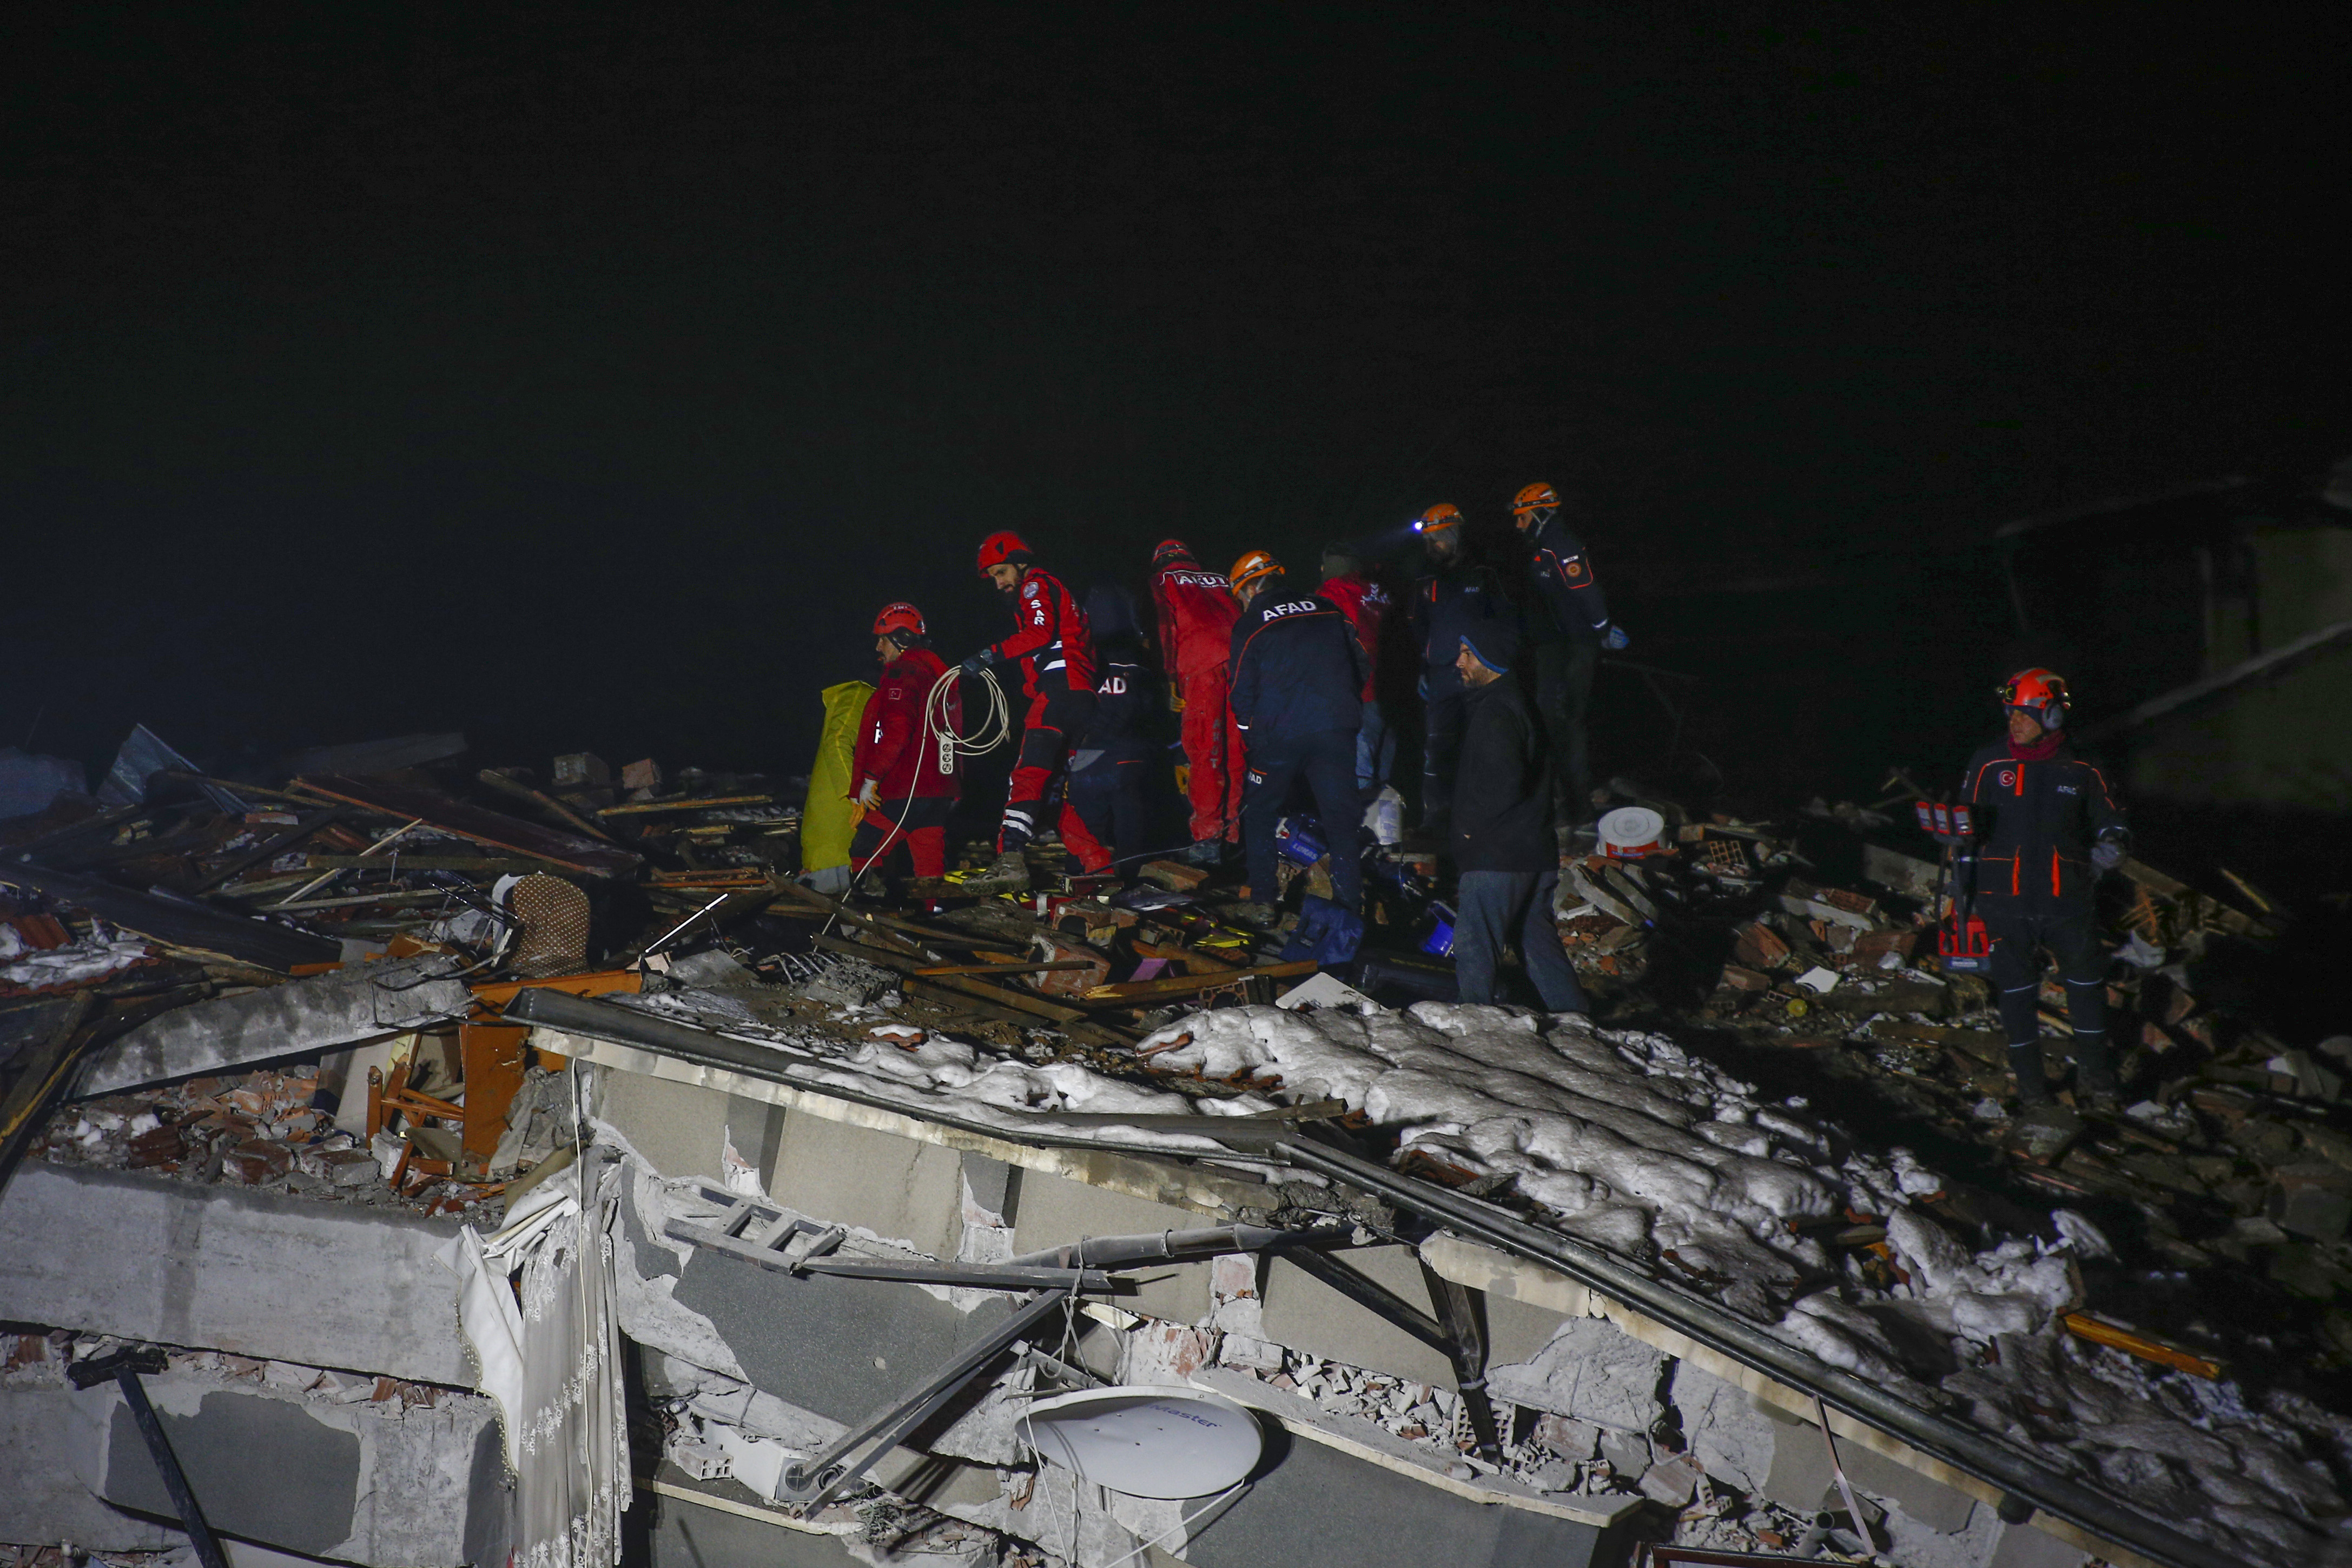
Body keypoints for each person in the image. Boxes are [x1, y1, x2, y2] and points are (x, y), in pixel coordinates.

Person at [1955, 667, 2130, 1109]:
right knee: (2015, 996)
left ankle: (2097, 1079)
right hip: (2004, 901)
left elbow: (2112, 817)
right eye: (2010, 712)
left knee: (2086, 988)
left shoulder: (2084, 766)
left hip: (2067, 899)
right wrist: (1963, 892)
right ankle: (2033, 1091)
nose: (2014, 721)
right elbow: (1964, 825)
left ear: (2052, 716)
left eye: (2025, 714)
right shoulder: (1989, 761)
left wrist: (2113, 842)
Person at [1448, 620, 1592, 1013]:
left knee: (1476, 942)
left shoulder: (1496, 710)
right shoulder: (1518, 702)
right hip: (1533, 850)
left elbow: (1500, 784)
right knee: (1537, 943)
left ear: (1491, 658)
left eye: (1468, 654)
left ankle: (1474, 1026)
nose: (1459, 661)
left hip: (1499, 854)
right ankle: (1577, 1023)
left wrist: (1465, 833)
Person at [1226, 550, 1366, 916]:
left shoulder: (1252, 621)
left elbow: (1240, 690)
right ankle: (1349, 907)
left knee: (1259, 811)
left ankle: (1263, 900)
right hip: (1335, 729)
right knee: (1341, 819)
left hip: (1279, 735)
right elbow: (1361, 662)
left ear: (1248, 589)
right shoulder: (1327, 608)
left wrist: (1252, 738)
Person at [961, 531, 1095, 892]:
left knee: (1028, 774)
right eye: (993, 577)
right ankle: (1097, 863)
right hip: (1081, 697)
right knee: (1056, 791)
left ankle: (1010, 860)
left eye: (1002, 572)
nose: (999, 582)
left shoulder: (1035, 585)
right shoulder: (1058, 591)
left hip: (1059, 693)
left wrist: (987, 655)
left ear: (1021, 562)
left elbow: (1038, 634)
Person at [1511, 481, 1628, 849]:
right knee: (1550, 726)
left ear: (1541, 512)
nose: (1519, 525)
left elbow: (1585, 590)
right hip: (1553, 648)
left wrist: (1603, 628)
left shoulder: (1561, 544)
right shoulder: (1540, 548)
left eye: (1523, 517)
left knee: (1566, 723)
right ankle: (1565, 809)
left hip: (1572, 648)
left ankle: (1580, 813)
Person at [1405, 502, 1509, 839]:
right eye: (1428, 541)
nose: (1431, 547)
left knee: (1483, 748)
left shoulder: (1483, 570)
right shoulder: (1426, 577)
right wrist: (1422, 666)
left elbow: (1505, 621)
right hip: (1441, 677)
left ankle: (1486, 819)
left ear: (1454, 535)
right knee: (1437, 750)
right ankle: (1436, 820)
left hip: (1481, 678)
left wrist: (1501, 666)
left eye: (1437, 539)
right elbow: (1418, 626)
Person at [847, 602, 961, 882]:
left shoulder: (903, 674)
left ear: (901, 640)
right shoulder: (937, 677)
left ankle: (865, 921)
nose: (878, 649)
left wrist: (871, 779)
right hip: (937, 790)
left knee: (865, 851)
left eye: (882, 640)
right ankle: (934, 915)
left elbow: (897, 730)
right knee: (929, 866)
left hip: (905, 789)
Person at [1148, 539, 1243, 864]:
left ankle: (1207, 838)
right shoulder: (1222, 580)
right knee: (1237, 750)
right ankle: (1237, 832)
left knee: (1205, 750)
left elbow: (1166, 627)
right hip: (1242, 663)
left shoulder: (1164, 581)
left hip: (1201, 665)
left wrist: (1170, 678)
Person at [1058, 584, 1161, 876]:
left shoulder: (1079, 657)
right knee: (1132, 830)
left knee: (1085, 834)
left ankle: (1081, 885)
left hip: (1088, 757)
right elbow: (1151, 711)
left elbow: (1068, 709)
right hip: (1130, 755)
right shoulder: (1141, 660)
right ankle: (1131, 884)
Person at [1318, 542, 1402, 798]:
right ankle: (1386, 834)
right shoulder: (1380, 590)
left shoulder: (1330, 592)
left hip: (1360, 694)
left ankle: (1361, 832)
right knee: (1384, 774)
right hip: (1395, 691)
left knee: (1359, 772)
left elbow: (1322, 645)